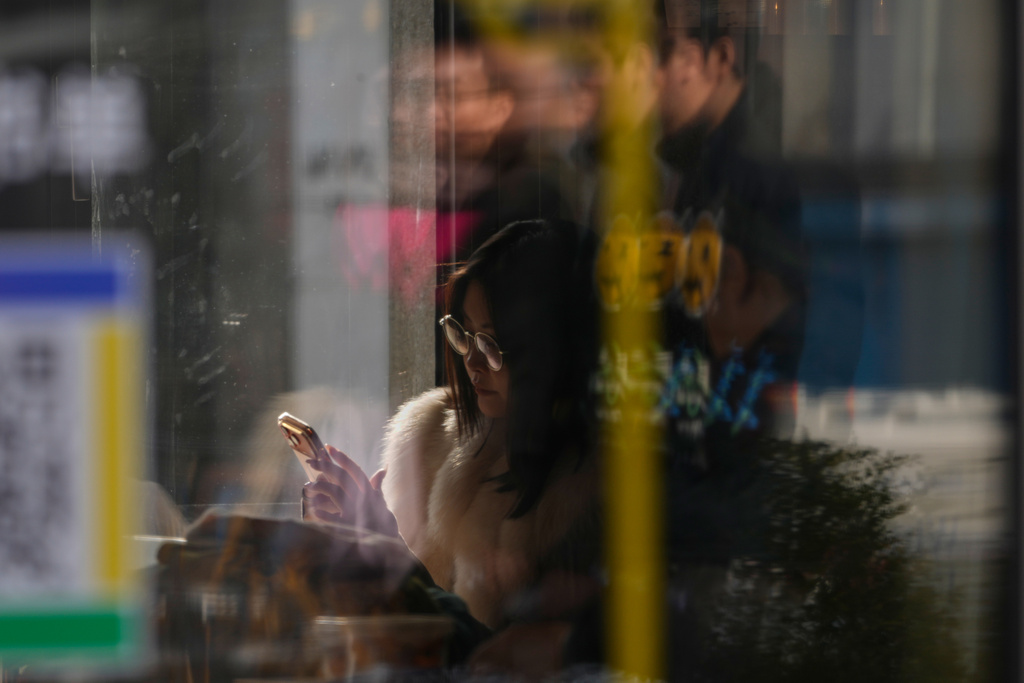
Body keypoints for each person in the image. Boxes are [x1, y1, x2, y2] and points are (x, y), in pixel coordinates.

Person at [302, 219, 602, 633]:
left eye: (491, 344)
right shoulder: (434, 435)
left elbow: (486, 654)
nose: (471, 363)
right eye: (465, 335)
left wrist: (386, 550)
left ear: (550, 349)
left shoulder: (589, 490)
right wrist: (347, 542)